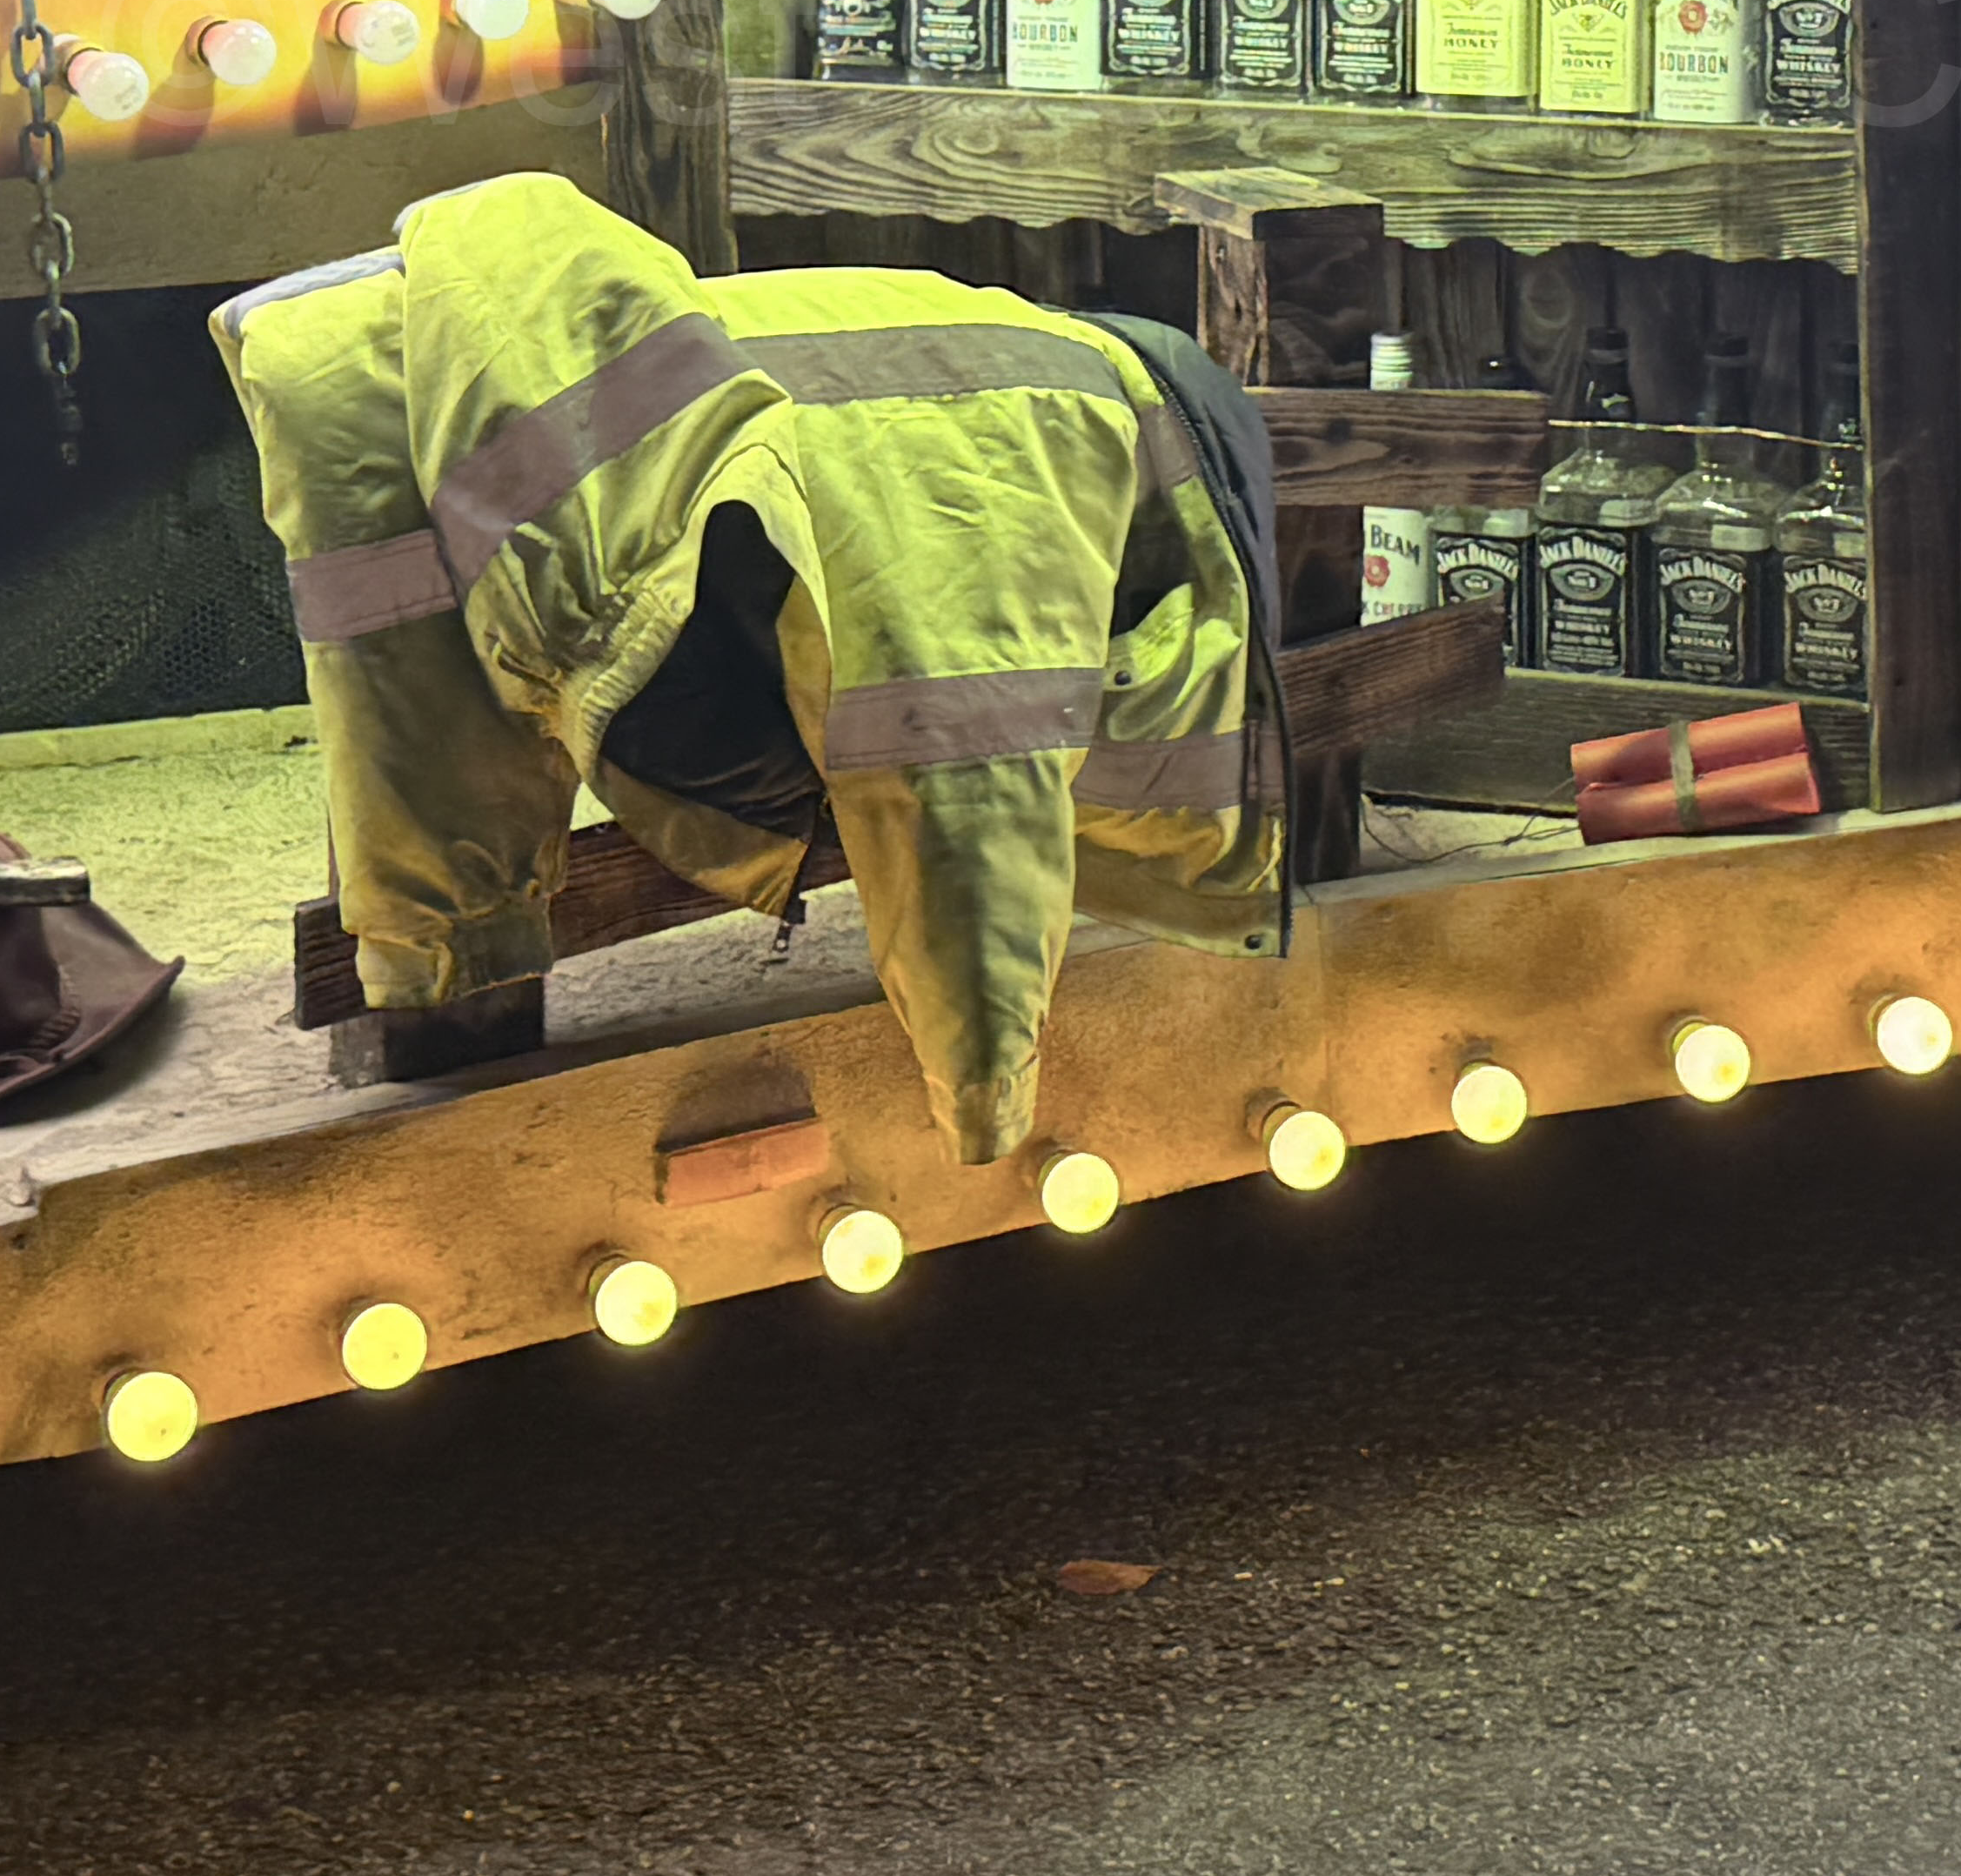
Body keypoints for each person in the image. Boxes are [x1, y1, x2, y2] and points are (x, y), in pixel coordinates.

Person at [214, 173, 1284, 1159]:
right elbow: (961, 786)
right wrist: (982, 1089)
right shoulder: (482, 460)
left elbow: (963, 777)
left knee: (931, 696)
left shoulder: (928, 504)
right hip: (976, 403)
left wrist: (984, 1087)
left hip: (1040, 399)